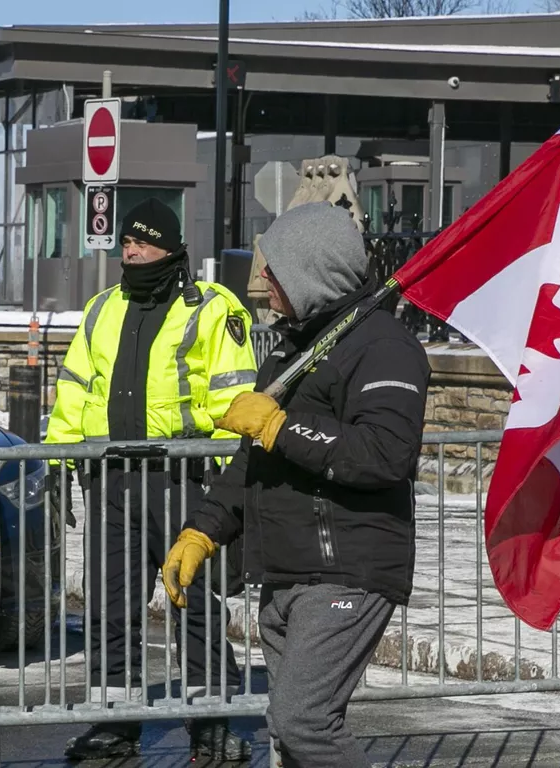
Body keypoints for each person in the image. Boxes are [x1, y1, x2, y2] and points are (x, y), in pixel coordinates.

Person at [163, 202, 429, 768]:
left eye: (275, 267)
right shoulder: (292, 349)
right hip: (286, 571)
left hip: (347, 570)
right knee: (289, 738)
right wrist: (201, 533)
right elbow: (250, 464)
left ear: (312, 272)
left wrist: (281, 427)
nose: (263, 276)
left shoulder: (384, 347)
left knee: (303, 722)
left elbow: (384, 454)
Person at [43, 199, 257, 762]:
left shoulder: (211, 307)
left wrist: (226, 474)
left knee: (196, 600)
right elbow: (74, 390)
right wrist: (61, 460)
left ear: (169, 246)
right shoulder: (102, 308)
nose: (130, 252)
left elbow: (236, 396)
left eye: (141, 242)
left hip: (182, 476)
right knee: (109, 604)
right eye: (125, 243)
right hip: (110, 479)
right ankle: (114, 722)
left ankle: (210, 724)